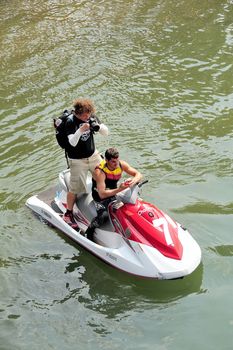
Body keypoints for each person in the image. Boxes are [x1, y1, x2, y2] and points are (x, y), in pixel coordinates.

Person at [63, 98, 108, 228]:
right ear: (78, 112)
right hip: (77, 160)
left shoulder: (90, 116)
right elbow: (72, 142)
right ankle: (68, 214)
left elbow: (106, 132)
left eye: (89, 114)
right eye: (84, 115)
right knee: (75, 188)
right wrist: (81, 130)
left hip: (93, 155)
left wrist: (99, 127)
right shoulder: (71, 121)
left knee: (102, 176)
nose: (87, 117)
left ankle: (101, 199)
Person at [85, 147, 142, 241]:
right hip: (100, 197)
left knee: (134, 205)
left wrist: (133, 181)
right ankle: (88, 233)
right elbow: (102, 194)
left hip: (114, 192)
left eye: (117, 160)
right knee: (104, 216)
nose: (116, 164)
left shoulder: (121, 164)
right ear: (106, 160)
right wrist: (120, 189)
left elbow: (138, 174)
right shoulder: (100, 172)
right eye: (113, 162)